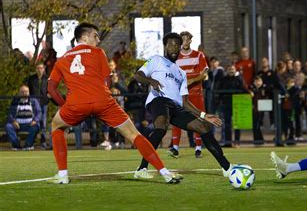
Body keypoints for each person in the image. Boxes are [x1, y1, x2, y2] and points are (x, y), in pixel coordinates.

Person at [47, 22, 180, 184]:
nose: (98, 39)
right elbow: (107, 79)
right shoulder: (97, 52)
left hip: (76, 104)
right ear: (84, 36)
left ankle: (62, 175)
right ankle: (165, 173)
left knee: (56, 126)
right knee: (134, 134)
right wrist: (102, 97)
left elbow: (51, 89)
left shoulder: (61, 60)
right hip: (104, 101)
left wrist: (65, 108)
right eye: (95, 36)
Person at [133, 32, 235, 179]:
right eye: (171, 44)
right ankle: (142, 168)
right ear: (165, 46)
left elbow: (185, 102)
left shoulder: (181, 73)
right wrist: (151, 82)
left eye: (177, 45)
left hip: (175, 106)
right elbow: (138, 75)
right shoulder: (156, 60)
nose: (174, 47)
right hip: (159, 100)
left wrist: (203, 115)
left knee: (203, 127)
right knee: (161, 127)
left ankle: (227, 167)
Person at [169, 31, 209, 158]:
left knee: (198, 119)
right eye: (183, 39)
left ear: (191, 41)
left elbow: (204, 74)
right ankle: (175, 148)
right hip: (180, 94)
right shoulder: (175, 57)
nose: (185, 42)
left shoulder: (199, 55)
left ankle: (198, 148)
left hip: (196, 93)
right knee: (176, 119)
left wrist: (190, 81)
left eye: (187, 39)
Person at [5, 85, 41, 150]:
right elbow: (10, 113)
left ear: (29, 92)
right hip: (17, 125)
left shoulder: (34, 101)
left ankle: (28, 145)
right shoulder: (15, 101)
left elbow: (39, 113)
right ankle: (16, 145)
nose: (24, 93)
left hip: (30, 124)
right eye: (22, 92)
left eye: (26, 92)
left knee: (35, 127)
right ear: (19, 93)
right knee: (8, 126)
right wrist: (13, 121)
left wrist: (35, 121)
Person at [26, 62, 49, 149]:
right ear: (36, 69)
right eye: (38, 68)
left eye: (41, 68)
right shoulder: (31, 79)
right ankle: (32, 141)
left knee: (43, 123)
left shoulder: (47, 79)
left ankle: (43, 142)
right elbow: (28, 90)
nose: (39, 70)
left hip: (44, 104)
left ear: (44, 69)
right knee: (34, 122)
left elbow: (49, 90)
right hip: (33, 104)